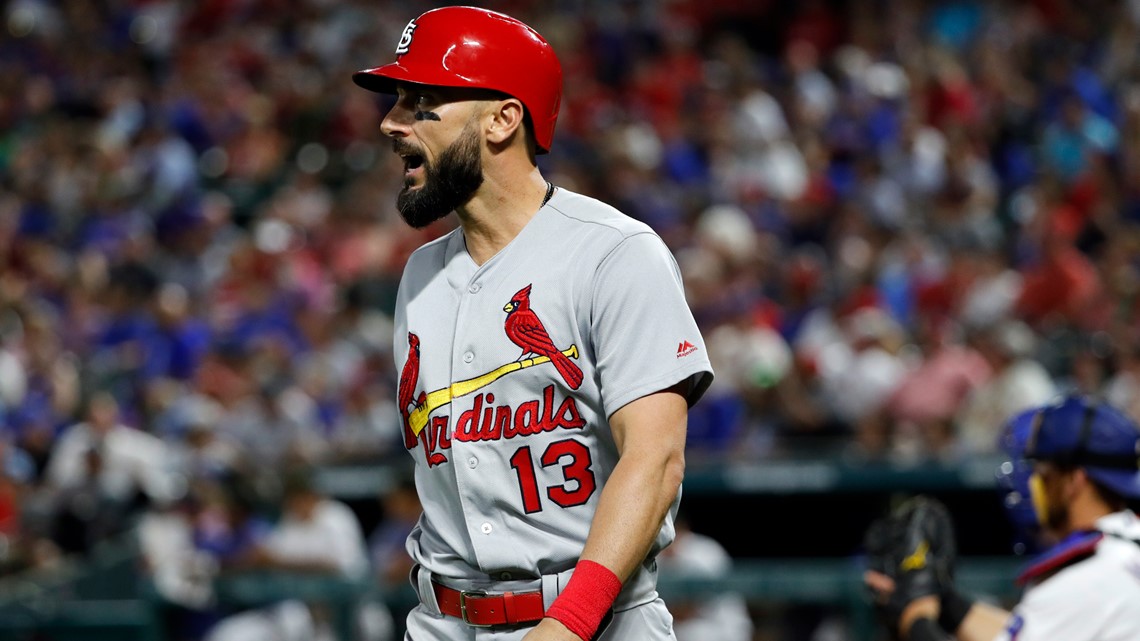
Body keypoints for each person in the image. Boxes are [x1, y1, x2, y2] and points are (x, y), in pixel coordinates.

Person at [351, 6, 714, 641]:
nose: (392, 123)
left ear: (502, 119)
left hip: (594, 621)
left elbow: (655, 460)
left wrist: (569, 623)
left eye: (421, 102)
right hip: (440, 619)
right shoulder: (418, 277)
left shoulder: (614, 253)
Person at [863, 393, 1140, 641]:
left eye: (1043, 472)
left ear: (1074, 482)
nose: (1035, 483)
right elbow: (1029, 630)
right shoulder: (1123, 546)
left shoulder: (1085, 580)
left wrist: (915, 620)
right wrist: (947, 603)